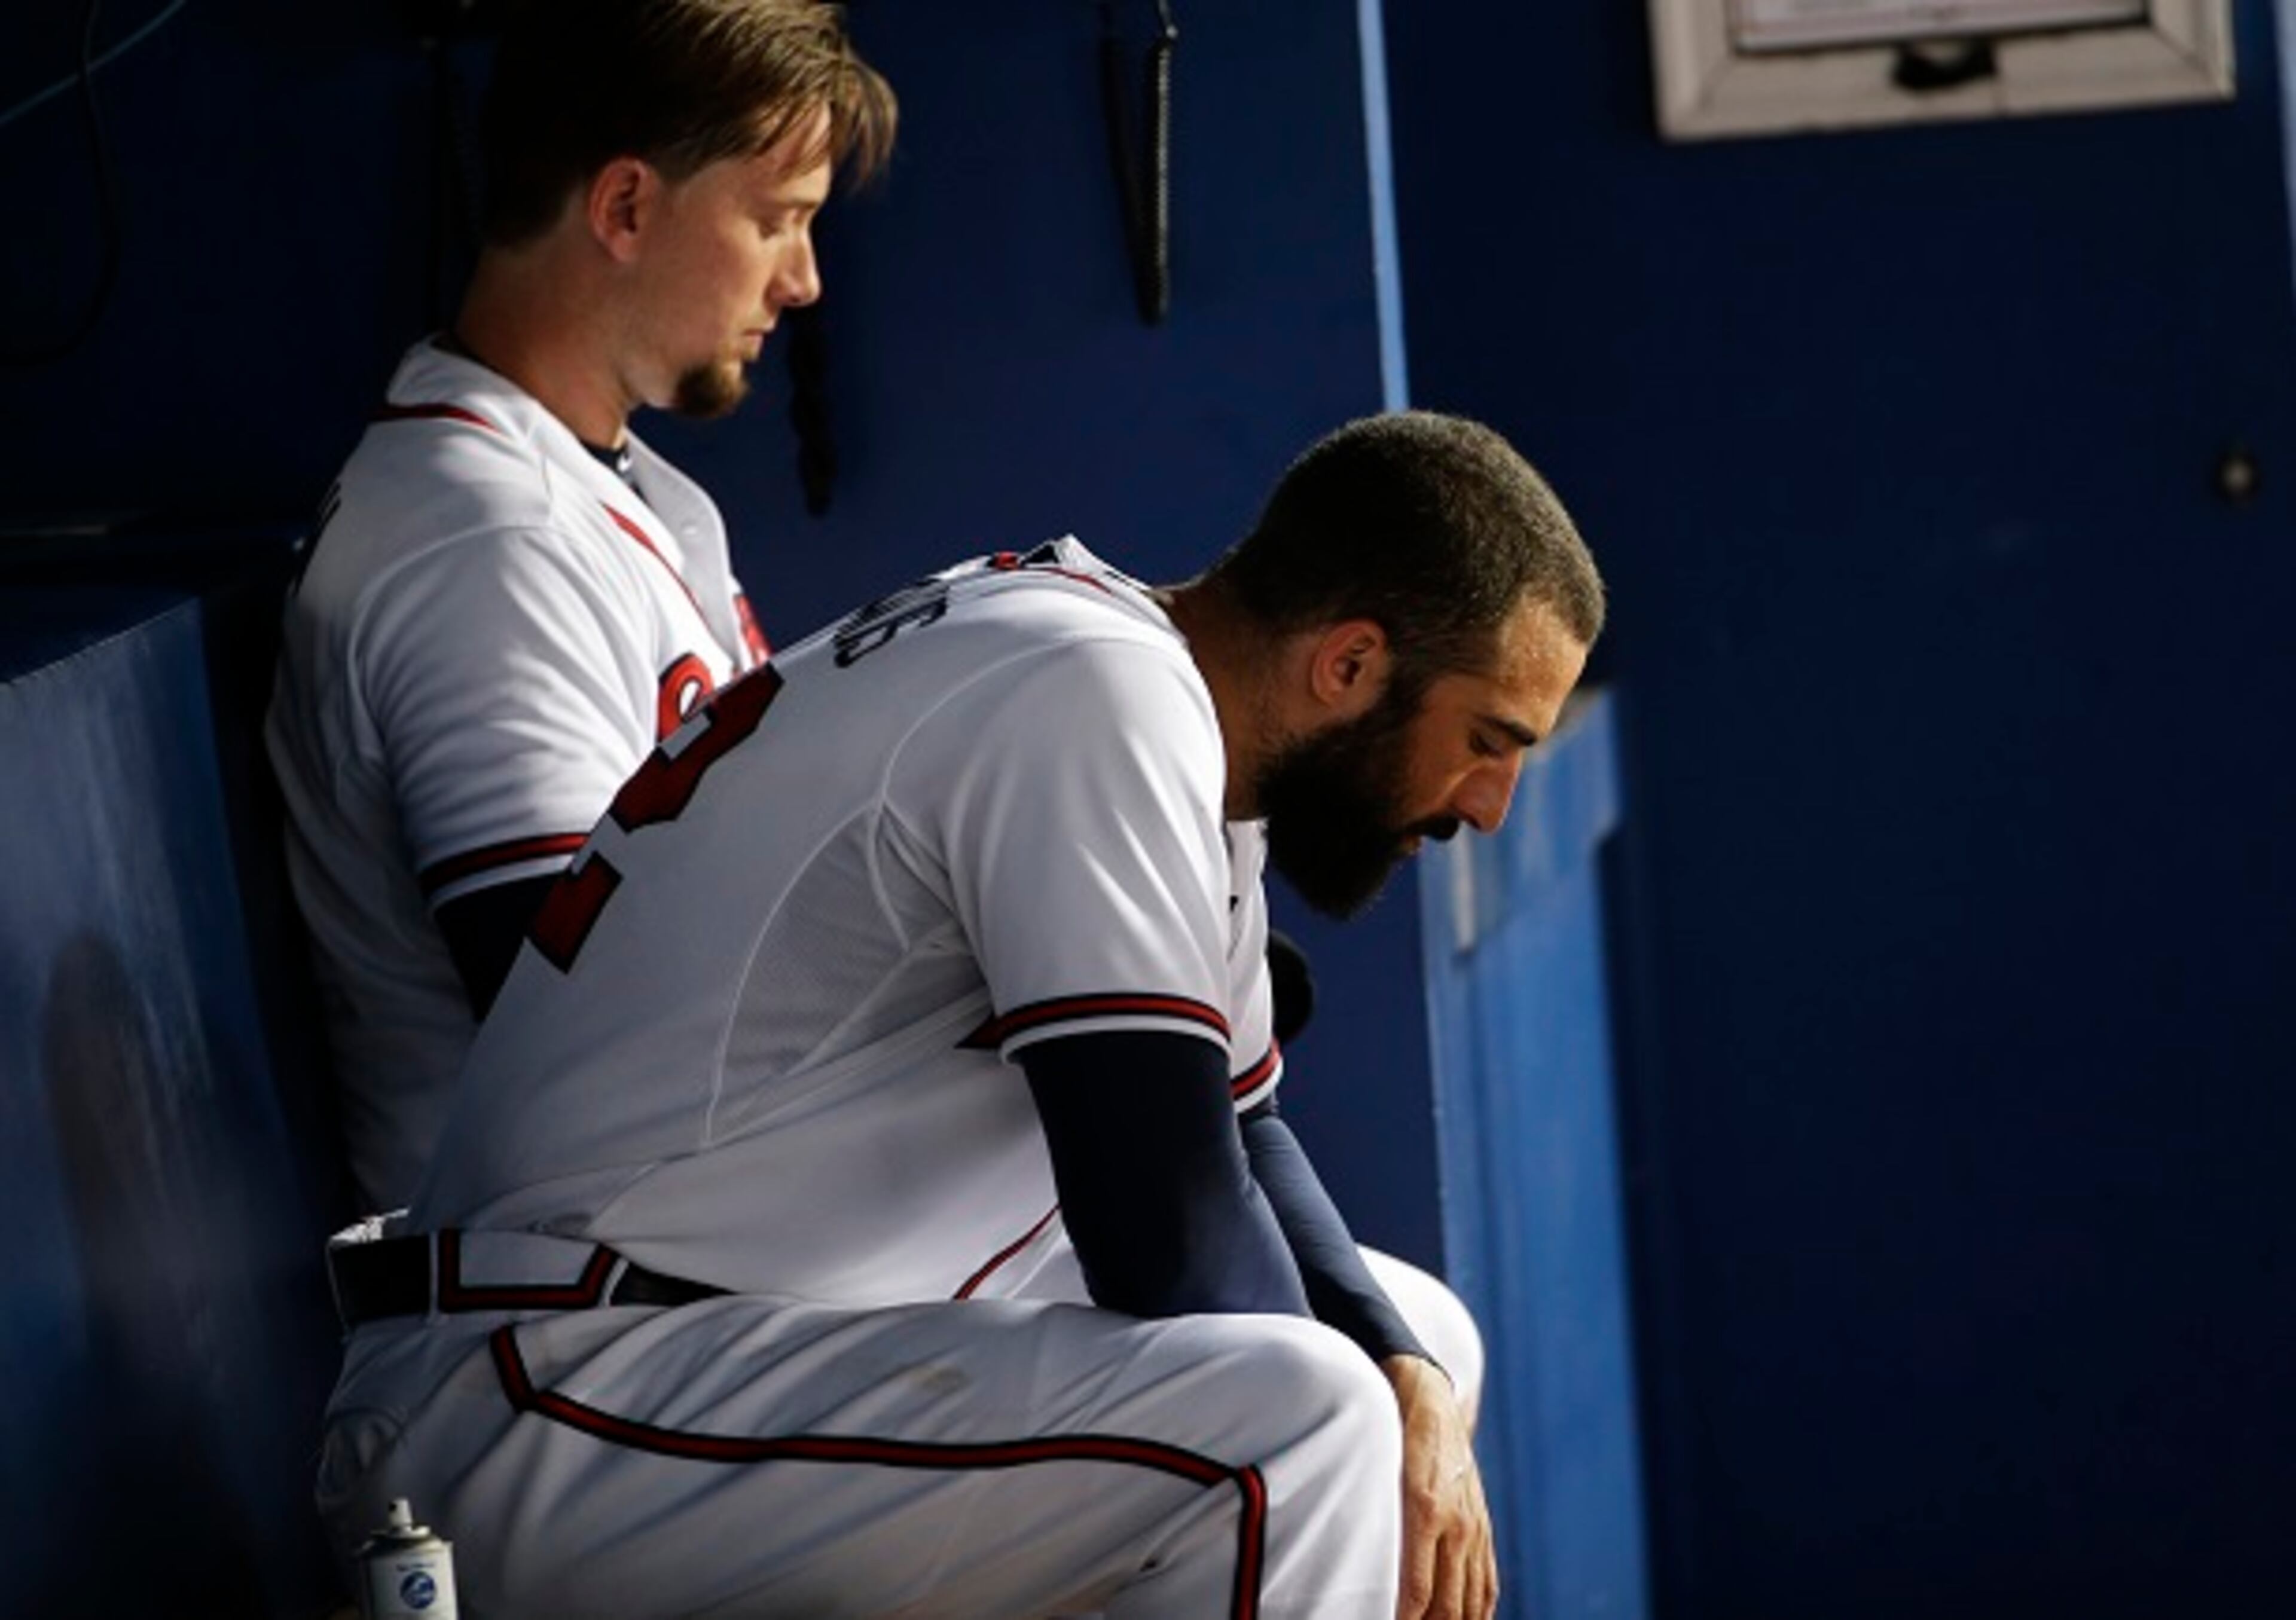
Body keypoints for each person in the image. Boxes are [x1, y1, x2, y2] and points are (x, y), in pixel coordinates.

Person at [317, 411, 1604, 1619]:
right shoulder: (1097, 692)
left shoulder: (1155, 706)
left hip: (716, 1347)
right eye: (1490, 737)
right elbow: (1170, 1233)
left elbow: (1244, 1134)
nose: (1491, 802)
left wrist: (1411, 1382)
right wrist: (1383, 1421)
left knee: (1407, 1340)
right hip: (548, 1386)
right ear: (1351, 662)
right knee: (1308, 1422)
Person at [266, 0, 897, 1212]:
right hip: (569, 1309)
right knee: (1290, 1387)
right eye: (777, 221)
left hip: (695, 1254)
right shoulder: (483, 545)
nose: (806, 279)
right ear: (623, 207)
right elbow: (594, 1046)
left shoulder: (611, 488)